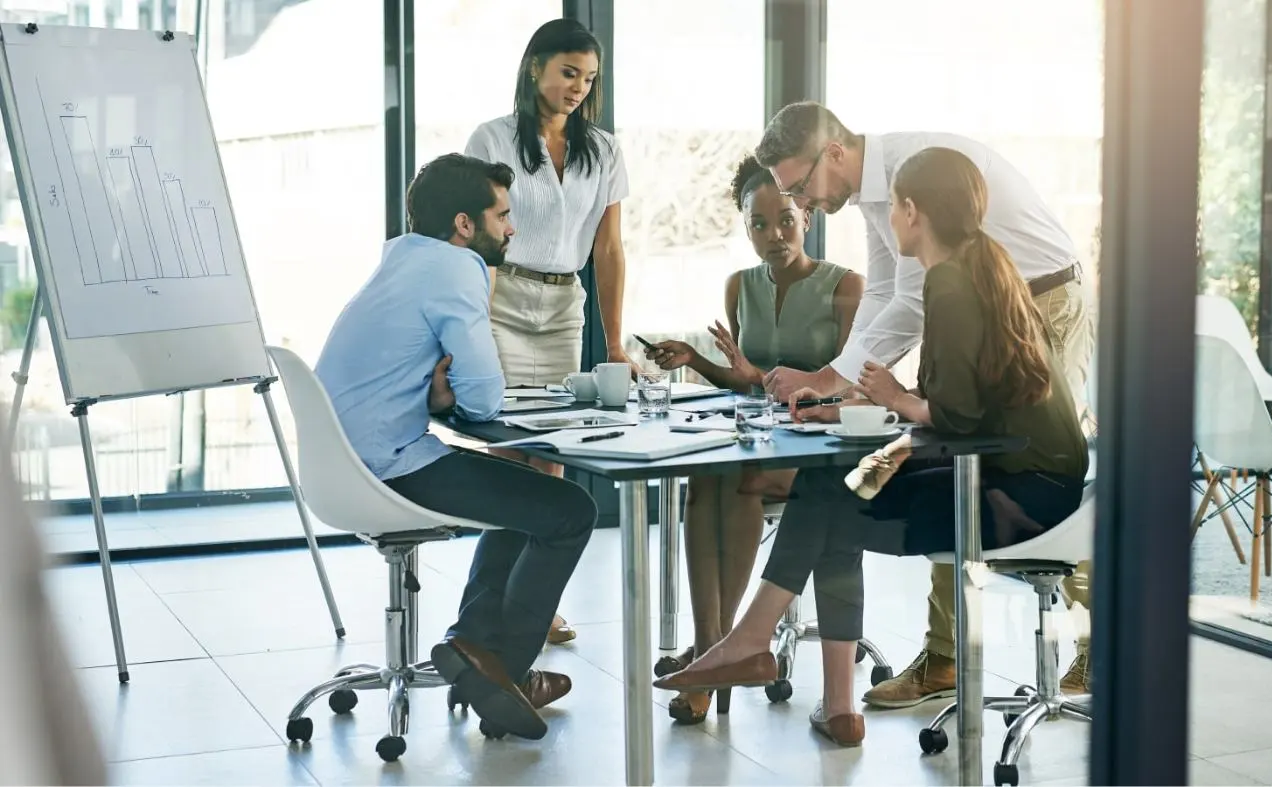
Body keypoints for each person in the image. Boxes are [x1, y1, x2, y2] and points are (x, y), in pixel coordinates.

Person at [653, 147, 1089, 746]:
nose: (888, 223)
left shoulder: (954, 284)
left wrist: (901, 402)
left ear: (911, 211)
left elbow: (956, 416)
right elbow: (961, 397)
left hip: (1019, 496)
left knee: (832, 501)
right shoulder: (976, 269)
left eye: (893, 213)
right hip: (1027, 478)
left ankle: (756, 646)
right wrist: (866, 402)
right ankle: (813, 690)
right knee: (833, 492)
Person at [753, 102, 1097, 706]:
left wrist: (841, 380)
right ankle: (944, 657)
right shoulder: (876, 197)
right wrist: (838, 381)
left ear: (834, 152)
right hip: (988, 302)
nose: (801, 206)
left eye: (801, 188)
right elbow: (888, 292)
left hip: (1043, 303)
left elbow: (910, 304)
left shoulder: (915, 176)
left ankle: (1100, 644)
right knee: (952, 462)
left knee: (1007, 463)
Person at [316, 153, 596, 741]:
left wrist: (440, 402)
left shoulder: (403, 259)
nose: (511, 228)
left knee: (526, 503)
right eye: (502, 215)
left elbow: (427, 384)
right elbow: (486, 396)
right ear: (465, 225)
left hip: (344, 467)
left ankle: (475, 648)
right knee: (570, 511)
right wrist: (458, 397)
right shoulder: (456, 268)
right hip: (388, 470)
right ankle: (503, 675)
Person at [642, 156, 863, 724]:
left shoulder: (845, 287)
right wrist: (697, 360)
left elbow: (856, 388)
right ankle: (713, 644)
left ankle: (714, 657)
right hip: (759, 438)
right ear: (745, 229)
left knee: (733, 478)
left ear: (806, 215)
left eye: (785, 219)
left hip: (817, 449)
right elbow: (748, 381)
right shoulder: (739, 287)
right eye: (759, 225)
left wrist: (784, 387)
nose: (774, 235)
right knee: (704, 475)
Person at [466, 19, 634, 646]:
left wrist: (614, 344)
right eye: (568, 72)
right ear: (535, 65)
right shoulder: (494, 137)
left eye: (589, 79)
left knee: (552, 461)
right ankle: (497, 612)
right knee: (510, 458)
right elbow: (476, 241)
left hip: (564, 307)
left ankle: (535, 604)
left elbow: (610, 250)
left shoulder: (605, 149)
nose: (578, 88)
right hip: (502, 297)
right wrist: (470, 328)